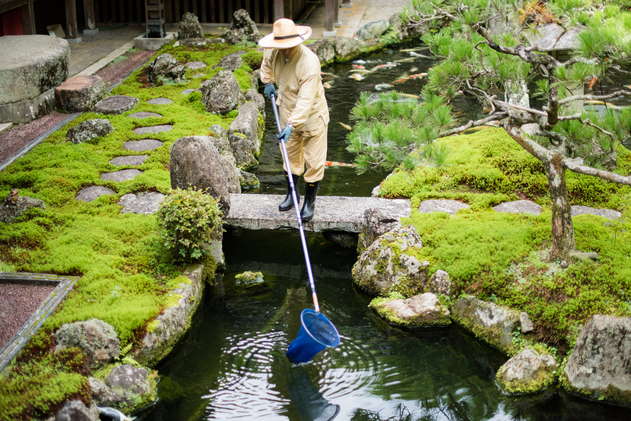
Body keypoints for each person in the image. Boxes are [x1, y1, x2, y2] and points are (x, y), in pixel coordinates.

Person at [258, 18, 329, 222]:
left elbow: (306, 100)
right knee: (288, 155)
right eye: (281, 47)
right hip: (287, 108)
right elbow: (266, 65)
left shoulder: (309, 62)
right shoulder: (273, 50)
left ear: (297, 41)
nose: (284, 50)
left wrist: (291, 124)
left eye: (288, 47)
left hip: (312, 114)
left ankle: (309, 201)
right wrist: (268, 81)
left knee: (314, 161)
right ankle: (292, 193)